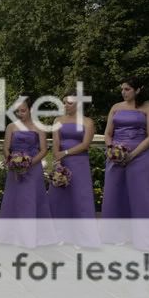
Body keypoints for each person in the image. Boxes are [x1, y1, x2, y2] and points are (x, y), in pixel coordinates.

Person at [100, 77, 149, 251]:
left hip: (140, 156)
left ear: (137, 90)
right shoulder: (115, 107)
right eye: (122, 89)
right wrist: (112, 150)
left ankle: (146, 239)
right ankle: (116, 235)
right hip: (116, 157)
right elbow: (107, 134)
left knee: (142, 195)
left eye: (127, 89)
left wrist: (132, 155)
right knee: (115, 193)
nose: (123, 92)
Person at [0, 96, 57, 248]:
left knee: (30, 200)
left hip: (33, 169)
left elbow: (44, 150)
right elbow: (6, 148)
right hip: (14, 169)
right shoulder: (11, 127)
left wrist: (29, 163)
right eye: (17, 111)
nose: (19, 114)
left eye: (22, 111)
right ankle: (10, 236)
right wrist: (12, 161)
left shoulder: (39, 127)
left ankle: (31, 237)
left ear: (31, 110)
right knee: (14, 200)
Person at [48, 95, 101, 248]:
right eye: (64, 102)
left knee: (80, 199)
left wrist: (65, 153)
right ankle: (60, 235)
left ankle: (82, 238)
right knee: (59, 198)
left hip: (79, 163)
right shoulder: (58, 120)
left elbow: (85, 145)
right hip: (62, 163)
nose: (65, 105)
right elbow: (56, 143)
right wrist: (57, 161)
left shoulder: (87, 122)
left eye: (69, 103)